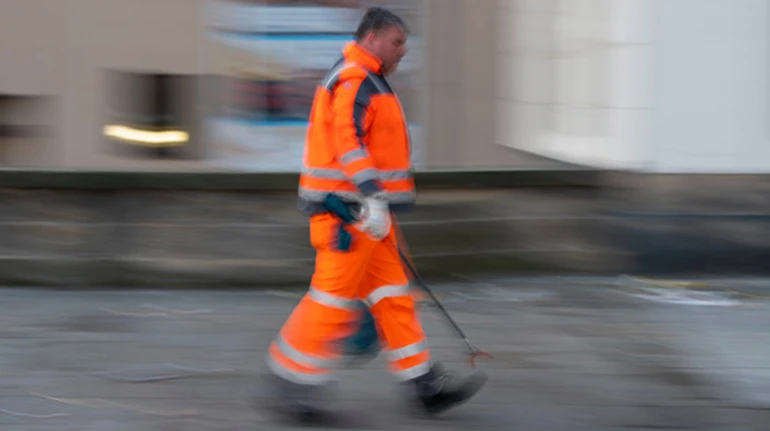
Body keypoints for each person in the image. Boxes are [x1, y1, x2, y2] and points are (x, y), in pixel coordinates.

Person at [256, 6, 487, 425]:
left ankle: (424, 386)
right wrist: (372, 195)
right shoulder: (355, 79)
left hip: (369, 219)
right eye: (398, 43)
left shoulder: (367, 79)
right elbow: (348, 139)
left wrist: (377, 204)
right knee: (330, 302)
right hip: (351, 215)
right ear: (372, 38)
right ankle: (290, 386)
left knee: (395, 300)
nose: (403, 52)